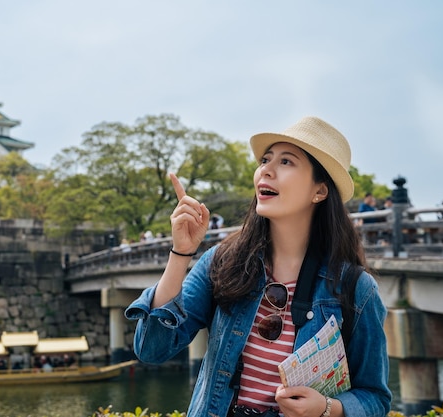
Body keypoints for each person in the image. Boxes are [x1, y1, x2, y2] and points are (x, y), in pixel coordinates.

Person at [125, 116, 391, 417]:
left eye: (287, 162)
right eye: (266, 160)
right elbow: (151, 349)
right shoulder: (223, 261)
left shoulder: (356, 288)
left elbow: (376, 398)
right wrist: (181, 253)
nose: (266, 169)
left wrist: (328, 408)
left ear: (319, 191)